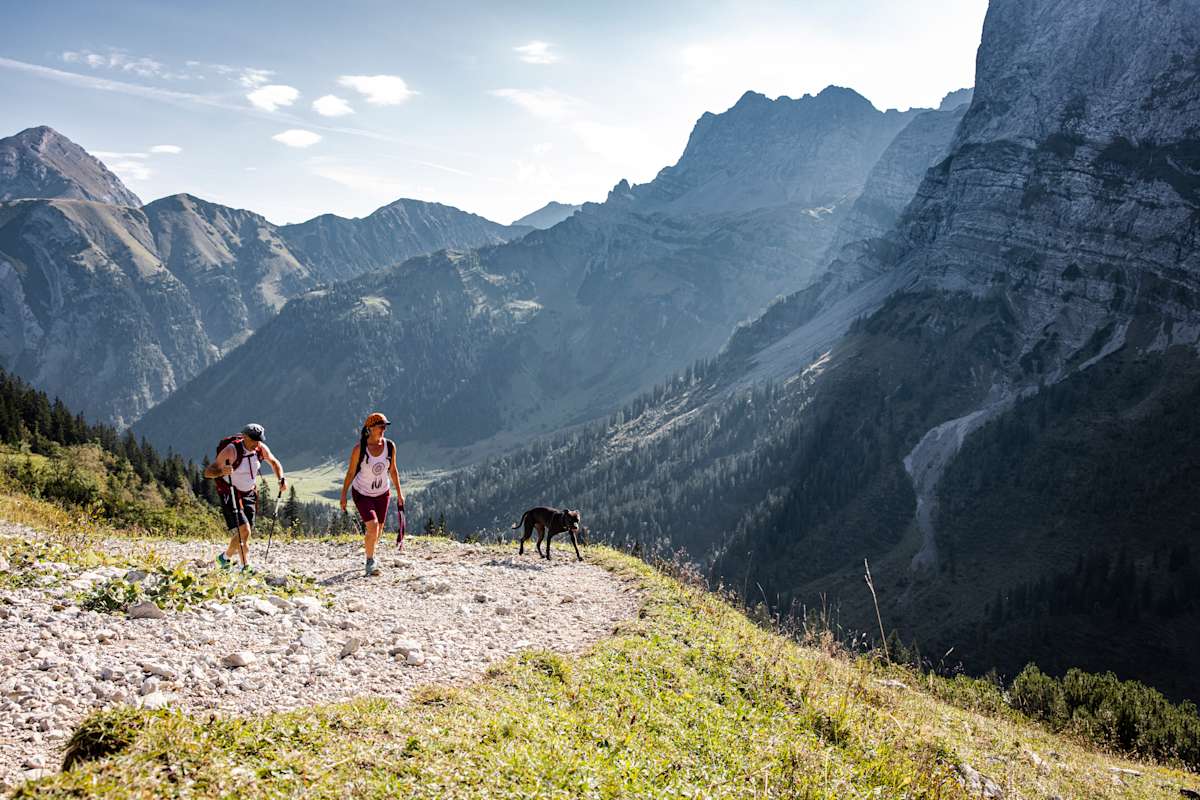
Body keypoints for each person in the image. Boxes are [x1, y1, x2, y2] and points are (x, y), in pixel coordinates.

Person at [204, 423, 286, 572]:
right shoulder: (231, 450)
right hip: (231, 493)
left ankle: (224, 558)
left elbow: (274, 462)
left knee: (244, 532)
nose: (257, 443)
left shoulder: (260, 448)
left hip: (249, 493)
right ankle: (244, 566)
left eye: (259, 440)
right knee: (245, 530)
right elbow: (208, 472)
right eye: (254, 440)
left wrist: (281, 478)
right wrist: (222, 471)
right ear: (244, 437)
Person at [340, 412, 404, 576]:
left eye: (385, 427)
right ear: (370, 428)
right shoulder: (360, 449)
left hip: (382, 493)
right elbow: (350, 473)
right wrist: (343, 495)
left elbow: (393, 471)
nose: (384, 429)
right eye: (380, 426)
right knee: (373, 526)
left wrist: (400, 493)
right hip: (362, 493)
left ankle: (371, 552)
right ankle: (369, 561)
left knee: (379, 530)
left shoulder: (390, 446)